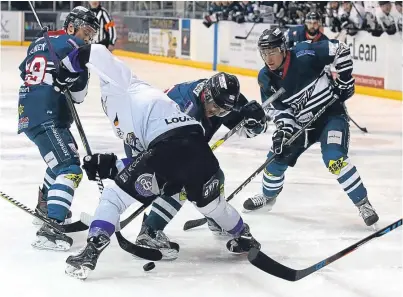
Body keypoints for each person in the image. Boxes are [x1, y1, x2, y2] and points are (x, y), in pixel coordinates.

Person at [59, 44, 261, 280]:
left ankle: (91, 251)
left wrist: (66, 69)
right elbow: (144, 162)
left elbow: (95, 52)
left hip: (165, 149)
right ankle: (243, 234)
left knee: (113, 198)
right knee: (213, 206)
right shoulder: (156, 105)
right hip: (197, 152)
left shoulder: (124, 82)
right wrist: (111, 165)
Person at [242, 28, 379, 228]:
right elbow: (280, 111)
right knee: (275, 160)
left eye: (272, 51)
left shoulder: (305, 53)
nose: (268, 58)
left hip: (331, 116)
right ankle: (267, 197)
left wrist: (345, 79)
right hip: (301, 124)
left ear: (283, 48)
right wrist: (283, 131)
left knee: (334, 158)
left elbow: (339, 49)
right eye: (264, 53)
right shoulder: (266, 78)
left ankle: (363, 204)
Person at [126, 73, 269, 260]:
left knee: (213, 177)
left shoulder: (223, 98)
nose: (216, 112)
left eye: (222, 111)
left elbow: (247, 130)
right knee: (182, 181)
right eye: (214, 107)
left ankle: (216, 218)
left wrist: (256, 121)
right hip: (145, 143)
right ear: (206, 94)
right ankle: (150, 230)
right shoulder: (185, 108)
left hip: (174, 141)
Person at [17, 6, 99, 251]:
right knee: (70, 168)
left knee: (62, 161)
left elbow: (25, 71)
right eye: (86, 31)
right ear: (72, 26)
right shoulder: (77, 50)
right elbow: (79, 95)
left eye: (91, 34)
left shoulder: (41, 40)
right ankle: (51, 227)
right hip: (48, 113)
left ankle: (45, 208)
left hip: (30, 111)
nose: (87, 38)